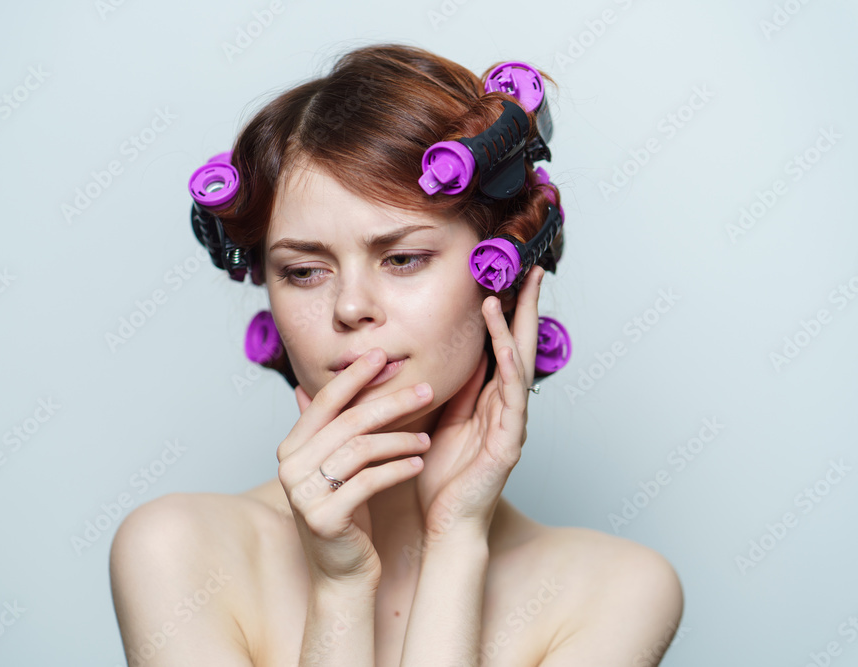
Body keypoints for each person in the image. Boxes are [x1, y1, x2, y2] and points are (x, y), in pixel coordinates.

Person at [109, 43, 683, 667]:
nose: (351, 307)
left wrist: (455, 543)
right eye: (303, 270)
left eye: (403, 258)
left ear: (503, 272)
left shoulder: (618, 592)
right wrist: (340, 590)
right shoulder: (176, 552)